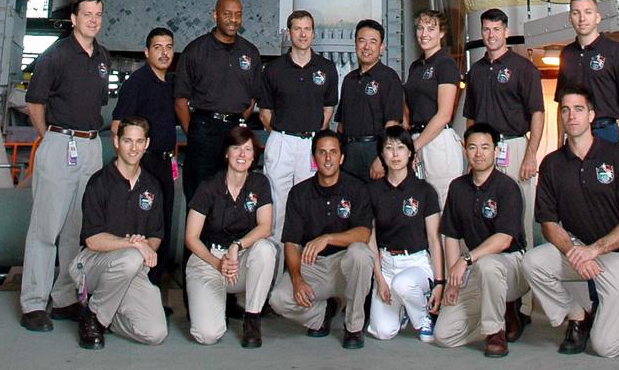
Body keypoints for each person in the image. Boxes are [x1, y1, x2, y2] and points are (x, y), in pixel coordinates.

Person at [523, 88, 619, 357]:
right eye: (565, 110)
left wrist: (594, 251)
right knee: (533, 263)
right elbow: (549, 223)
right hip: (578, 250)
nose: (571, 115)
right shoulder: (552, 164)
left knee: (605, 346)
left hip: (618, 257)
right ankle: (577, 316)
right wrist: (576, 254)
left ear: (591, 115)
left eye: (578, 109)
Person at [20, 0, 110, 332]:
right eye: (87, 14)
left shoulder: (102, 57)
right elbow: (35, 104)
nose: (93, 20)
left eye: (98, 14)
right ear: (74, 18)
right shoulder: (55, 55)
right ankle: (33, 303)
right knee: (46, 228)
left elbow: (97, 103)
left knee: (77, 229)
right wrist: (51, 137)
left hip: (90, 146)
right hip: (60, 141)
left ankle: (65, 297)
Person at [271, 129, 375, 349]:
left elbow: (364, 234)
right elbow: (290, 242)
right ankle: (323, 313)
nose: (328, 158)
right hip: (313, 266)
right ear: (314, 157)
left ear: (342, 157)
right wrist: (297, 279)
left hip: (344, 265)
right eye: (322, 152)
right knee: (279, 299)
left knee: (360, 254)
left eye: (333, 152)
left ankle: (354, 327)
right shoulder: (299, 193)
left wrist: (328, 238)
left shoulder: (357, 188)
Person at [70, 117, 168, 349]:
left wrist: (146, 247)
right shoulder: (99, 183)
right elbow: (92, 239)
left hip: (131, 267)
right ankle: (92, 316)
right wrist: (134, 245)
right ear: (116, 142)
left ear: (147, 144)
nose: (133, 148)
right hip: (90, 265)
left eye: (139, 142)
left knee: (155, 333)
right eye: (127, 141)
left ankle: (106, 319)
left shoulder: (152, 186)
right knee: (132, 257)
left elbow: (155, 235)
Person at [434, 123, 529, 358]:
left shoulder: (508, 187)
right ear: (465, 151)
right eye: (473, 147)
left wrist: (465, 261)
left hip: (511, 266)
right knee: (443, 335)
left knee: (488, 264)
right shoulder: (457, 187)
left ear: (496, 151)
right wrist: (452, 282)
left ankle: (495, 332)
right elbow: (452, 236)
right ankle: (496, 315)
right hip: (476, 268)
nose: (479, 153)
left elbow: (504, 239)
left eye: (485, 147)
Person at [183, 124, 277, 348]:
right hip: (208, 259)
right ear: (227, 153)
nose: (242, 154)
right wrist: (217, 263)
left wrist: (236, 246)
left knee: (266, 249)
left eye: (248, 149)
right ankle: (215, 303)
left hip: (240, 259)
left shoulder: (260, 183)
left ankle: (252, 319)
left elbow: (265, 227)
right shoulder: (208, 187)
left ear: (254, 156)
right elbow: (191, 237)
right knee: (207, 335)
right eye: (236, 148)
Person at [463, 7, 545, 248]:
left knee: (520, 210)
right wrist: (471, 152)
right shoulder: (475, 71)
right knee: (483, 209)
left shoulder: (523, 68)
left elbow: (537, 113)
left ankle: (524, 272)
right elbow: (470, 116)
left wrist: (531, 154)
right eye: (486, 29)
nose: (491, 35)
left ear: (506, 32)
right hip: (483, 149)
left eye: (496, 29)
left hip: (514, 145)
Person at [259, 9, 338, 241]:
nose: (303, 34)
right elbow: (265, 112)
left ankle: (305, 267)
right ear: (288, 33)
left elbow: (328, 110)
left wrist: (313, 137)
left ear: (313, 33)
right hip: (282, 140)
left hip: (312, 143)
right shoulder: (273, 70)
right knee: (276, 205)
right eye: (297, 29)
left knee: (310, 203)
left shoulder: (326, 68)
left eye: (307, 29)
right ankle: (274, 266)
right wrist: (284, 134)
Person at [174, 0, 261, 202]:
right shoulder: (196, 50)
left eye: (238, 15)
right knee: (199, 196)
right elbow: (180, 100)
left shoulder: (250, 52)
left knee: (233, 195)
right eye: (227, 14)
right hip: (203, 129)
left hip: (235, 132)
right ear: (215, 15)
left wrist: (239, 121)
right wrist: (194, 133)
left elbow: (253, 97)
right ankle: (196, 236)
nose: (233, 20)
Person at [111, 26, 177, 284]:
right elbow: (118, 127)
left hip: (164, 162)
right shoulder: (137, 83)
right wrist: (130, 166)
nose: (164, 53)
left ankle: (155, 290)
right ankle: (133, 287)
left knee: (161, 225)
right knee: (140, 225)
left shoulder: (169, 84)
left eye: (169, 47)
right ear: (146, 52)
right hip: (142, 165)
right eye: (158, 47)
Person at [367, 125, 443, 343]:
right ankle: (403, 310)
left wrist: (439, 282)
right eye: (389, 148)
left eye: (401, 147)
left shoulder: (424, 191)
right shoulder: (372, 191)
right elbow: (370, 239)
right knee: (383, 332)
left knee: (404, 284)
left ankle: (422, 318)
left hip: (416, 263)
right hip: (386, 264)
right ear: (381, 154)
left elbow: (434, 240)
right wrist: (379, 278)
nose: (395, 153)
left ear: (410, 152)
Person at [554, 0, 619, 147]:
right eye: (576, 13)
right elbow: (561, 103)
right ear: (570, 19)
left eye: (588, 12)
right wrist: (560, 141)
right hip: (574, 134)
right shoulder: (567, 54)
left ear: (598, 17)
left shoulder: (616, 51)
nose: (582, 18)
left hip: (605, 131)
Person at [403, 8, 464, 208]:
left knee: (442, 204)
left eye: (430, 28)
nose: (424, 34)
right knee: (419, 206)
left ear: (441, 33)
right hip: (416, 138)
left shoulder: (445, 64)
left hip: (438, 141)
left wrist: (416, 145)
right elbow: (408, 109)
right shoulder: (415, 66)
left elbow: (444, 114)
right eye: (420, 28)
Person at [336, 19, 404, 183]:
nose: (366, 47)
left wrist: (382, 158)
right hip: (349, 152)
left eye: (373, 42)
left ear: (381, 48)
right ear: (355, 45)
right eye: (362, 41)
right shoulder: (348, 80)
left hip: (374, 150)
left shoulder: (389, 78)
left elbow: (392, 125)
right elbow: (341, 125)